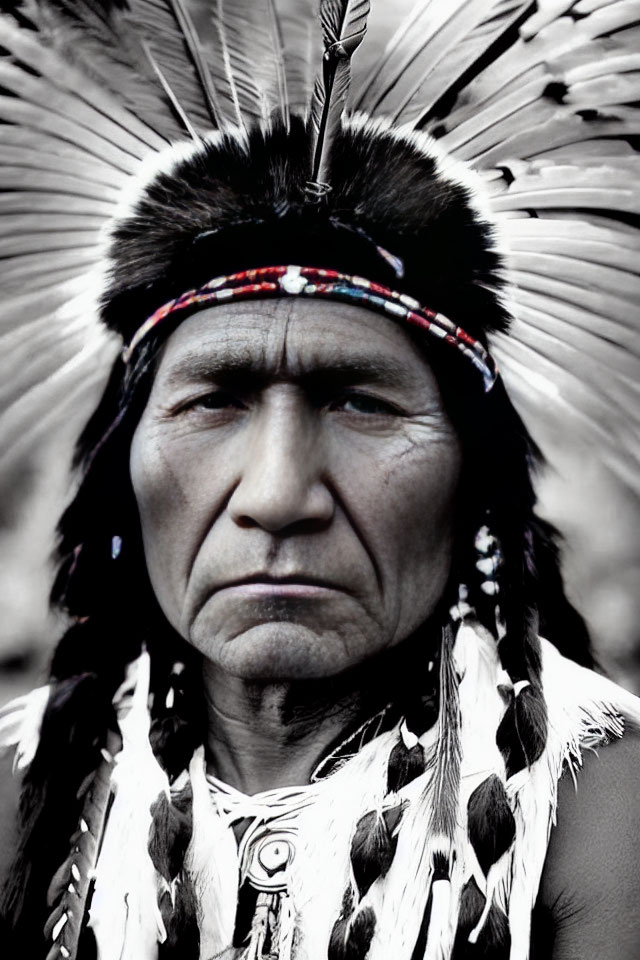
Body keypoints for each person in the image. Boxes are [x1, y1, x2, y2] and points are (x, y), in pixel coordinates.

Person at [0, 1, 639, 959]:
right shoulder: (17, 795)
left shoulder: (611, 809)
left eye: (359, 402)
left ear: (474, 478)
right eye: (216, 398)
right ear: (122, 470)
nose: (279, 495)